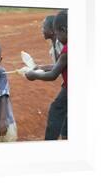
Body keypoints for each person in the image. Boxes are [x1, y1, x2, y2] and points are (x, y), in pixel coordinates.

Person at [25, 10, 68, 140]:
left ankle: (51, 143)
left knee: (57, 110)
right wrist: (41, 68)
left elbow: (54, 74)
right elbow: (59, 66)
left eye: (43, 27)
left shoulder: (65, 48)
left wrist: (34, 75)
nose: (41, 29)